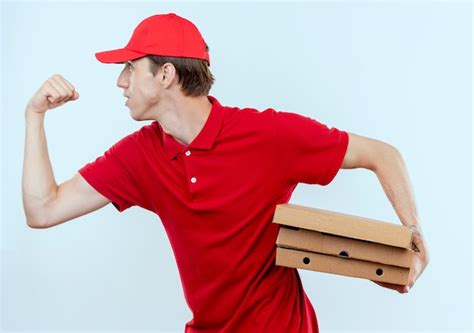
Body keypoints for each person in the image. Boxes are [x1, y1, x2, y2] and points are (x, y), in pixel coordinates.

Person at [22, 12, 429, 333]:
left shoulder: (268, 135)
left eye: (131, 67)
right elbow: (43, 210)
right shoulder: (139, 156)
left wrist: (413, 238)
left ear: (166, 74)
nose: (120, 81)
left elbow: (383, 154)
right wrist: (34, 115)